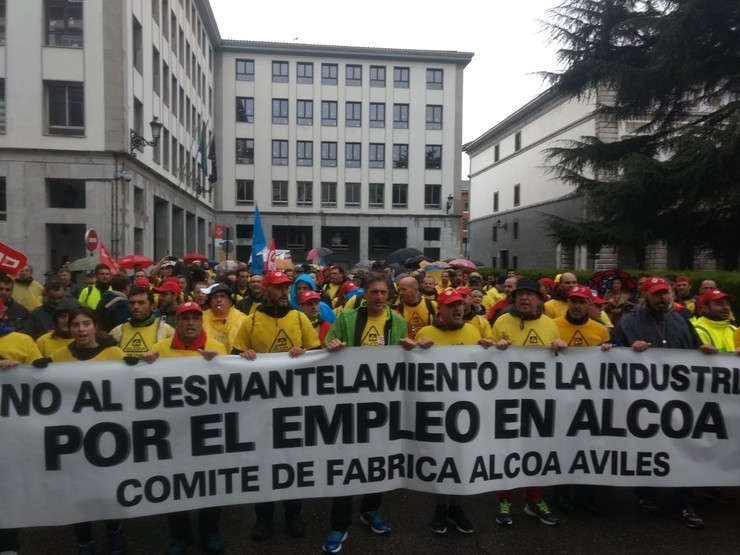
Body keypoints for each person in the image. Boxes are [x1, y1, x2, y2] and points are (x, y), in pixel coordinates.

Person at [321, 273, 408, 553]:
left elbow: (406, 358)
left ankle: (370, 509)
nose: (379, 297)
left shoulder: (398, 322)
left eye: (384, 292)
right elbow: (327, 349)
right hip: (349, 403)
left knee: (378, 461)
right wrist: (332, 347)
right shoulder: (346, 319)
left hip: (383, 405)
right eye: (374, 292)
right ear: (365, 294)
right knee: (345, 464)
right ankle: (338, 524)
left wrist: (414, 349)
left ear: (389, 295)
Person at [610, 276, 705, 528]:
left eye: (665, 293)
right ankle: (646, 495)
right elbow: (609, 351)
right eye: (656, 294)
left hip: (679, 400)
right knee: (646, 450)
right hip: (643, 402)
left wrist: (707, 352)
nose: (661, 297)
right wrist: (628, 350)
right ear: (645, 297)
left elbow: (697, 348)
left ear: (671, 294)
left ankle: (684, 503)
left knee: (684, 449)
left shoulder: (682, 321)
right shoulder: (629, 321)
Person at [233, 270, 319, 542]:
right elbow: (235, 359)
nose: (285, 292)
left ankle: (293, 513)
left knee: (292, 463)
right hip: (261, 408)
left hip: (294, 406)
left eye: (287, 288)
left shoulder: (299, 317)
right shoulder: (251, 321)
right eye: (279, 288)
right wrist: (244, 356)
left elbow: (317, 355)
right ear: (267, 290)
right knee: (264, 465)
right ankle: (264, 517)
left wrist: (305, 353)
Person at [139, 301, 227, 555]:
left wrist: (220, 363)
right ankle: (180, 535)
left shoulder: (217, 348)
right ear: (177, 323)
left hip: (207, 430)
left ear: (201, 322)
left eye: (195, 318)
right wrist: (144, 363)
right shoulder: (158, 350)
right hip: (172, 433)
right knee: (175, 485)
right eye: (185, 318)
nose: (190, 323)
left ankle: (209, 531)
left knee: (210, 484)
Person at [409, 288, 496, 535]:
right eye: (451, 305)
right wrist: (417, 348)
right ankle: (440, 508)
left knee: (462, 459)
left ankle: (456, 508)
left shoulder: (473, 331)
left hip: (466, 410)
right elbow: (410, 367)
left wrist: (491, 350)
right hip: (437, 410)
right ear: (441, 310)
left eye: (460, 304)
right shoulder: (426, 333)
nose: (458, 309)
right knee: (440, 460)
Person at [49, 307, 128, 554]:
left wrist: (145, 365)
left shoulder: (115, 354)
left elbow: (132, 387)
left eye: (86, 324)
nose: (81, 330)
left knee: (108, 489)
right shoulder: (58, 357)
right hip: (73, 439)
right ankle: (85, 542)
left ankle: (114, 532)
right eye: (75, 325)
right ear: (69, 328)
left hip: (107, 437)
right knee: (77, 493)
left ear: (95, 326)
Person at [490, 277, 566, 527]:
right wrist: (494, 348)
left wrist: (559, 348)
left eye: (530, 294)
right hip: (508, 400)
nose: (524, 298)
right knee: (508, 451)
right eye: (520, 294)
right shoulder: (502, 320)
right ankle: (504, 500)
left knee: (538, 451)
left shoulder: (550, 324)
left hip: (540, 402)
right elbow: (486, 357)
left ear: (540, 299)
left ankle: (534, 500)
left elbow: (558, 362)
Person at [552, 285, 613, 514]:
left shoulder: (600, 330)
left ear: (590, 304)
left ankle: (585, 495)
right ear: (568, 302)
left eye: (582, 301)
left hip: (590, 401)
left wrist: (609, 350)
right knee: (563, 447)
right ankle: (561, 493)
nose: (577, 306)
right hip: (561, 399)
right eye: (574, 301)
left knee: (588, 448)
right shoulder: (554, 326)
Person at [110, 286, 175, 356]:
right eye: (132, 303)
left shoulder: (167, 331)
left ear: (152, 306)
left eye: (141, 303)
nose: (136, 306)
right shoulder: (117, 331)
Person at [201, 283, 246, 354]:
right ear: (210, 302)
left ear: (230, 302)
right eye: (215, 297)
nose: (219, 300)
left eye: (223, 296)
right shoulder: (200, 319)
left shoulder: (243, 320)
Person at [691, 289, 738, 353]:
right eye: (719, 304)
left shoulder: (734, 330)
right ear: (705, 308)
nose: (726, 307)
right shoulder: (696, 331)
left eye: (727, 304)